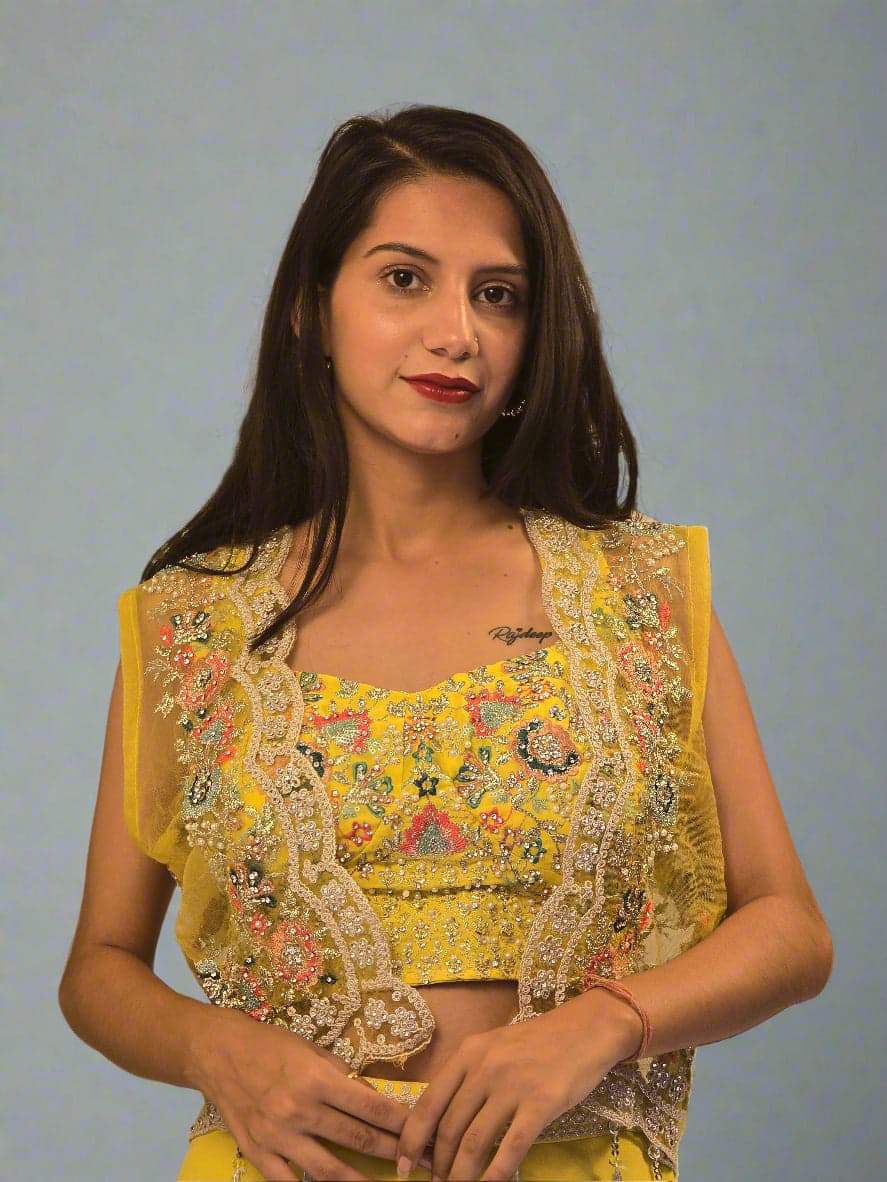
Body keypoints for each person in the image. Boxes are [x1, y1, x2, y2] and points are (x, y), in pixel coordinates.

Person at [58, 103, 833, 1182]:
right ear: (308, 310)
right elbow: (98, 967)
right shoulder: (190, 621)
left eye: (497, 295)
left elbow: (789, 929)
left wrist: (604, 1022)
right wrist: (212, 1047)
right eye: (403, 278)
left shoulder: (641, 588)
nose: (455, 332)